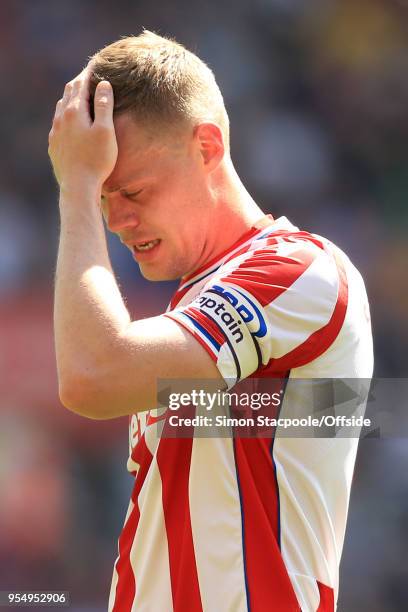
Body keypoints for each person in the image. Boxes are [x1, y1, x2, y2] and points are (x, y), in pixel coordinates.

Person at [48, 30, 373, 612]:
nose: (116, 221)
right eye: (102, 199)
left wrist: (76, 187)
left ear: (207, 146)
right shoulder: (192, 307)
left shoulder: (299, 267)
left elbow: (92, 376)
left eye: (133, 191)